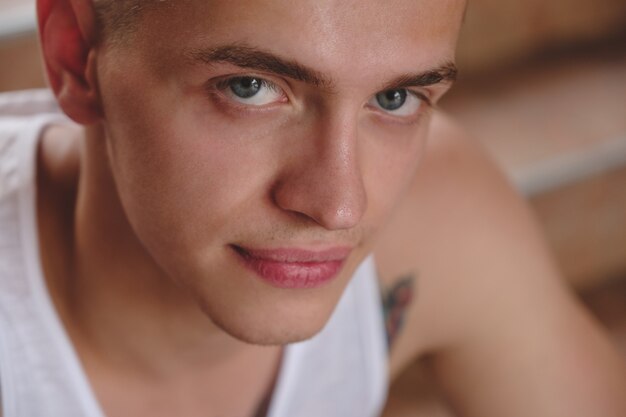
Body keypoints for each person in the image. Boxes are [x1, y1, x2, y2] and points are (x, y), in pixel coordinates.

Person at [0, 0, 625, 416]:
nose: (340, 206)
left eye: (396, 96)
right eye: (250, 88)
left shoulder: (442, 213)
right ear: (73, 54)